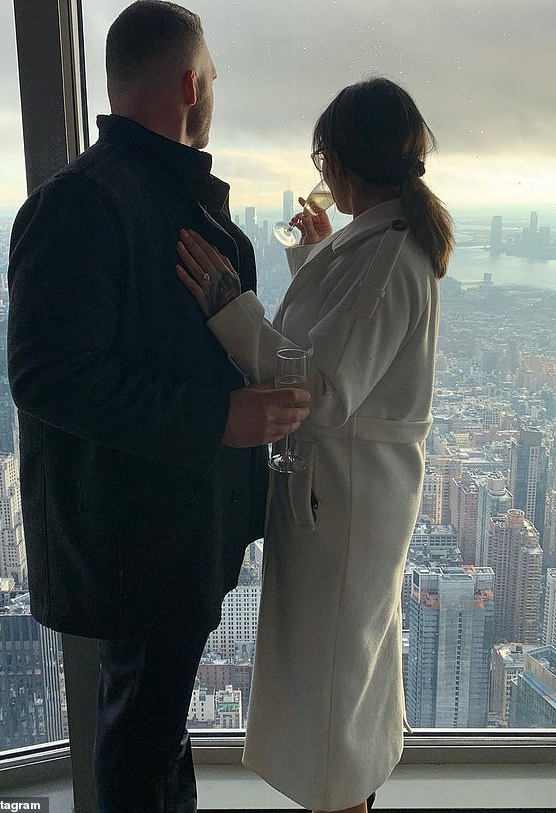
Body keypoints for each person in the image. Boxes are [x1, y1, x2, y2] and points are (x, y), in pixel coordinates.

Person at [6, 2, 310, 812]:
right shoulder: (86, 203)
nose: (213, 91)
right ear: (189, 83)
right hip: (140, 546)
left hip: (170, 536)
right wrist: (222, 417)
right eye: (210, 77)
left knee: (155, 734)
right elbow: (48, 376)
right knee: (141, 748)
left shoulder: (156, 196)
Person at [176, 77, 454, 813]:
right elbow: (338, 345)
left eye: (325, 154)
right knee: (340, 681)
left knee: (334, 694)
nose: (321, 170)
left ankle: (342, 803)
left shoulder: (391, 254)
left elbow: (323, 391)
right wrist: (316, 260)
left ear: (344, 160)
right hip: (346, 497)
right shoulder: (384, 241)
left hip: (346, 505)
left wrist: (230, 313)